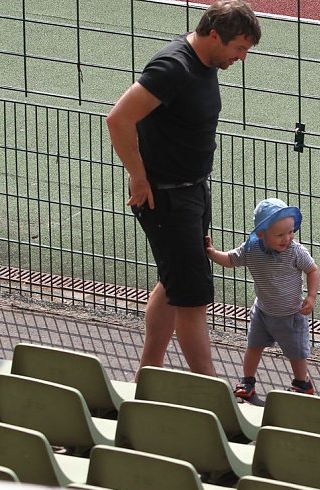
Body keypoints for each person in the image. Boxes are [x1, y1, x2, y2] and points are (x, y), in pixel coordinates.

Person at [105, 1, 261, 378]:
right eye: (239, 48)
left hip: (192, 193)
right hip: (167, 198)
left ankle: (148, 377)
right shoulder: (172, 67)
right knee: (192, 299)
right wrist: (138, 176)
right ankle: (212, 394)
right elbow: (118, 118)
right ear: (214, 35)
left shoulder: (206, 62)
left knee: (173, 282)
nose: (242, 57)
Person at [206, 198, 320, 398]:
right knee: (253, 346)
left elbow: (312, 270)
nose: (287, 238)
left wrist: (311, 297)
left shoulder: (295, 251)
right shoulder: (251, 249)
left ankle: (302, 383)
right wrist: (212, 253)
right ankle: (247, 381)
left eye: (291, 232)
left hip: (291, 314)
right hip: (262, 312)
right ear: (261, 234)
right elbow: (231, 260)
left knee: (296, 353)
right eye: (280, 234)